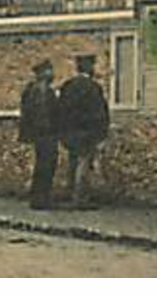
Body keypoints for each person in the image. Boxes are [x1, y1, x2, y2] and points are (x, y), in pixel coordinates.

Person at [56, 53, 111, 208]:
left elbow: (60, 109)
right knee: (83, 164)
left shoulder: (68, 86)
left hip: (69, 132)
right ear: (89, 68)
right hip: (86, 133)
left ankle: (70, 193)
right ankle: (80, 198)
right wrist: (101, 133)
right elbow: (99, 113)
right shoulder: (92, 88)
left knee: (73, 162)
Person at [19, 58, 59, 209]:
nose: (52, 74)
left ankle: (39, 197)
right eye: (49, 71)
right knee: (46, 166)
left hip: (40, 134)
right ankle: (41, 199)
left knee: (43, 165)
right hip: (45, 134)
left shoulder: (34, 89)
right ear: (42, 73)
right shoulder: (41, 91)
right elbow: (44, 115)